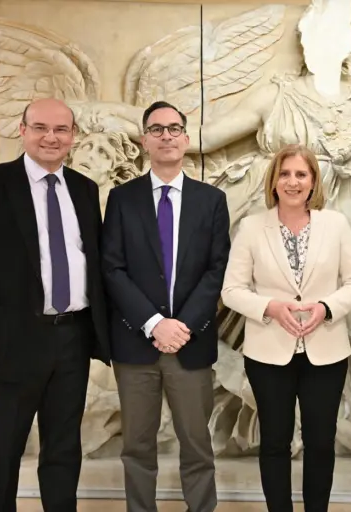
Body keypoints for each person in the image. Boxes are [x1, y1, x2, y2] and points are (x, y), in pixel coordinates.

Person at [0, 98, 111, 511]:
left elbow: (91, 262)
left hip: (72, 339)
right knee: (1, 454)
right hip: (10, 343)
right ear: (22, 131)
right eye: (40, 127)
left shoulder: (84, 189)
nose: (50, 137)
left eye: (61, 129)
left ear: (73, 136)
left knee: (63, 451)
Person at [221, 144, 351, 511]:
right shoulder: (252, 227)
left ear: (313, 181)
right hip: (268, 354)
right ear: (273, 181)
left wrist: (326, 308)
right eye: (285, 174)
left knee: (320, 443)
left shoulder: (335, 224)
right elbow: (232, 290)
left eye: (301, 174)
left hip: (326, 352)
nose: (292, 181)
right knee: (274, 442)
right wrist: (269, 307)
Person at [101, 100, 230, 512]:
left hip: (190, 344)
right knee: (137, 447)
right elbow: (112, 269)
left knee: (197, 445)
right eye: (156, 129)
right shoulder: (122, 199)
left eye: (174, 128)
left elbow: (217, 269)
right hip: (135, 344)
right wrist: (154, 322)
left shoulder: (211, 200)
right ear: (145, 140)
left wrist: (182, 325)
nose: (166, 136)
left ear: (186, 139)